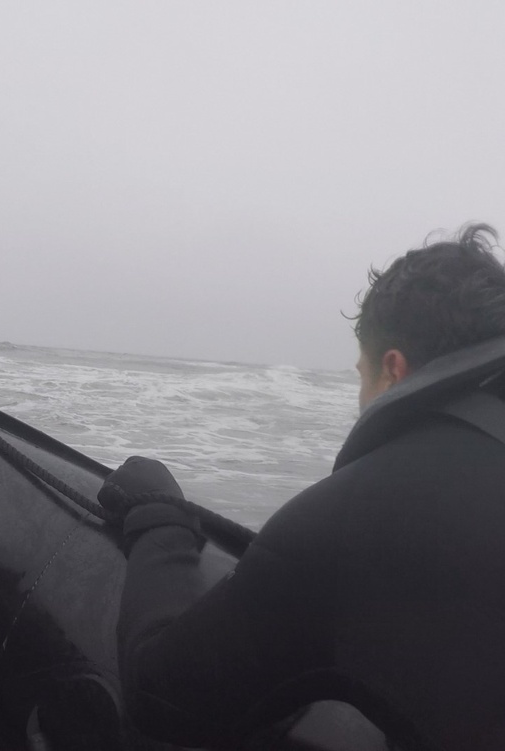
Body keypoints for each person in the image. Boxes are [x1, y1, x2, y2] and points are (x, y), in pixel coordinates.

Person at [99, 224, 505, 751]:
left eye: (361, 375)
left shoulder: (361, 513)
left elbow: (164, 700)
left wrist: (159, 522)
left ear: (393, 369)